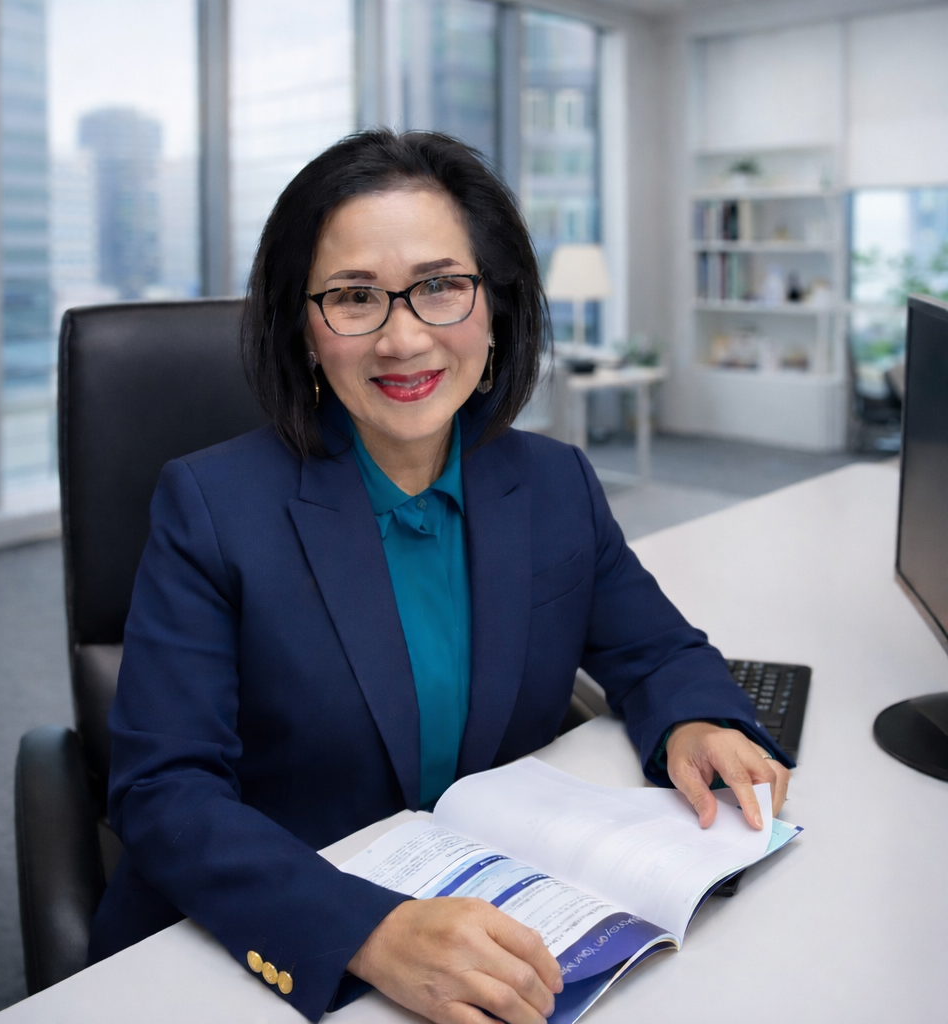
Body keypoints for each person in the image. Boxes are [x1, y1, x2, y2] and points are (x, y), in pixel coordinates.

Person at [88, 130, 792, 1024]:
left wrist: (697, 718)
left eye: (440, 286)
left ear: (494, 306)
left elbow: (656, 650)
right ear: (303, 331)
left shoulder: (554, 484)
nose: (404, 337)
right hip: (271, 945)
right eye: (354, 297)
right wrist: (365, 930)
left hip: (496, 925)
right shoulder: (211, 506)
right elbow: (163, 791)